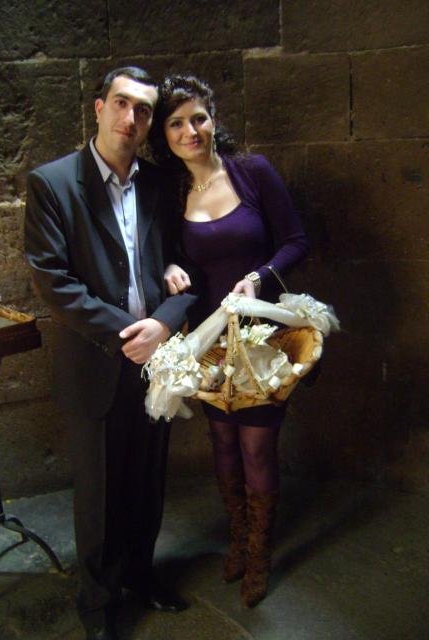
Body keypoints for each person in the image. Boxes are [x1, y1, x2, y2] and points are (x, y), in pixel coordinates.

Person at [24, 67, 195, 640]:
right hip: (95, 364)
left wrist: (164, 324)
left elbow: (185, 265)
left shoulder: (160, 184)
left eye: (143, 110)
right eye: (121, 103)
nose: (131, 118)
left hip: (157, 362)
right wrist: (133, 332)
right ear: (98, 108)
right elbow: (54, 282)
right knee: (98, 496)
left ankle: (141, 576)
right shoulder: (53, 184)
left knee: (147, 483)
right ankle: (98, 606)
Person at [148, 74, 309, 608]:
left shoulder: (251, 171)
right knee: (221, 439)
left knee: (256, 444)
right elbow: (168, 255)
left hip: (262, 336)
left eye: (198, 118)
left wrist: (260, 276)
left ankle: (260, 554)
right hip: (210, 339)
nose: (190, 131)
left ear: (213, 118)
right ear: (165, 136)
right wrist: (169, 265)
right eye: (176, 124)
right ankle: (238, 538)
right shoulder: (172, 194)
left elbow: (296, 240)